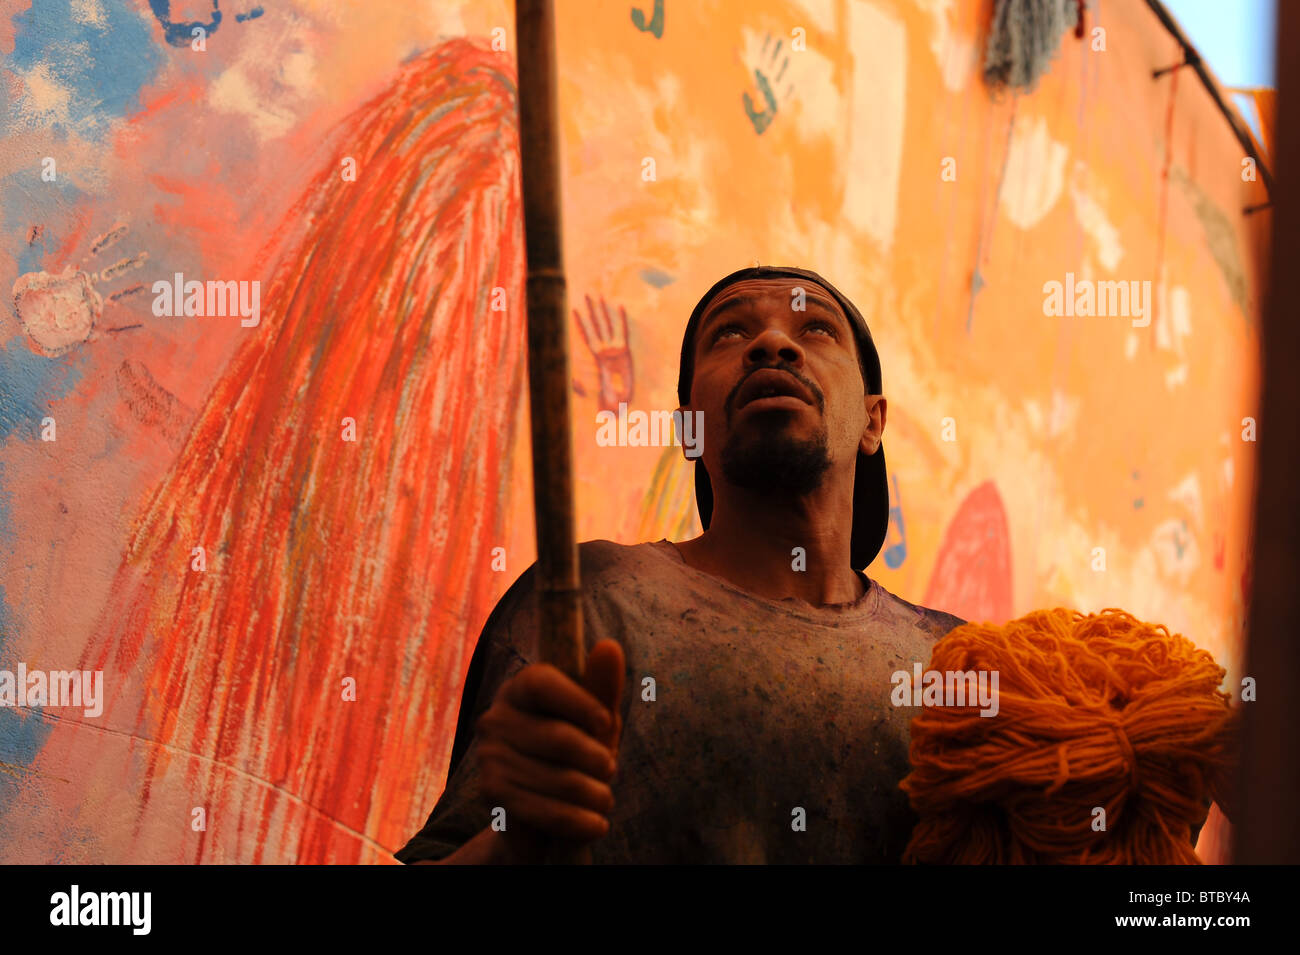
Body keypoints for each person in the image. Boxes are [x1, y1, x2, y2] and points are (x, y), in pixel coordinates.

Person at [396, 265, 967, 864]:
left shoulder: (955, 663)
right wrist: (516, 844)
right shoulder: (592, 595)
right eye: (729, 333)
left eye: (817, 328)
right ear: (687, 428)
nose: (773, 344)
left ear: (873, 421)